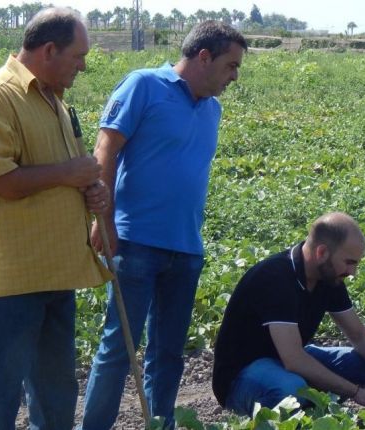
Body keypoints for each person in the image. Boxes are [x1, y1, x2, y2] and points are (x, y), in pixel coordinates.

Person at [80, 21, 247, 429]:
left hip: (186, 248)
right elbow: (106, 149)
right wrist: (105, 220)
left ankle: (161, 423)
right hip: (136, 242)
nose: (234, 77)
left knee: (169, 352)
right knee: (119, 348)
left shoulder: (212, 109)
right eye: (230, 66)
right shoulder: (143, 86)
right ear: (203, 57)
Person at [0, 8, 113, 429]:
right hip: (18, 275)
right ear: (50, 50)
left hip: (58, 269)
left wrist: (87, 189)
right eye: (78, 56)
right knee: (1, 394)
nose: (82, 66)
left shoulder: (54, 101)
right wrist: (68, 173)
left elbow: (57, 176)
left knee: (56, 391)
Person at [212, 212, 365, 415]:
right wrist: (355, 392)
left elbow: (358, 334)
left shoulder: (329, 275)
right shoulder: (276, 278)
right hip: (241, 376)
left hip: (286, 360)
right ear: (322, 252)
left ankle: (310, 404)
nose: (353, 272)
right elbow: (294, 359)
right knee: (291, 390)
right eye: (349, 262)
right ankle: (292, 409)